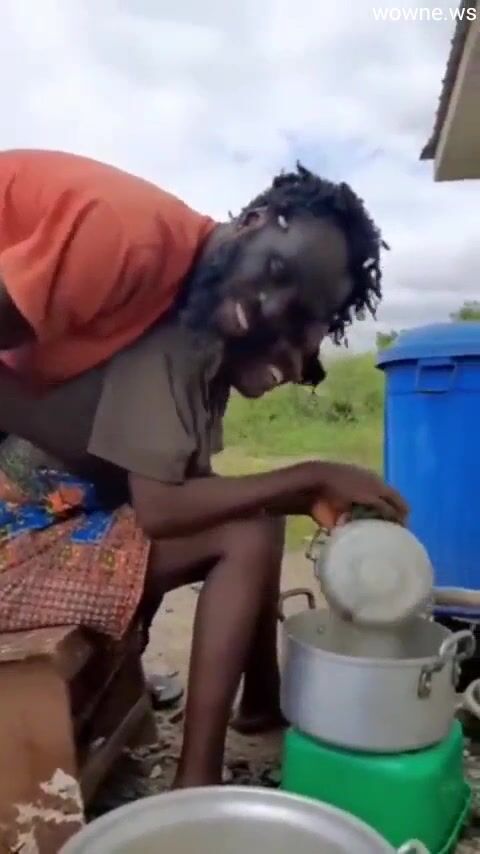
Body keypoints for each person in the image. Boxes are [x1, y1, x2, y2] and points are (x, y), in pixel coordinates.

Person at [0, 300, 407, 788]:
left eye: (309, 355)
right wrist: (312, 474)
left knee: (260, 519)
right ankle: (196, 780)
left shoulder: (209, 378)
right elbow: (162, 509)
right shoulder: (172, 356)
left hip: (67, 523)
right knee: (245, 536)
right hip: (17, 547)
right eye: (294, 343)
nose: (298, 368)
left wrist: (303, 500)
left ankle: (260, 700)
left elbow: (194, 488)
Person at [0, 153, 384, 387]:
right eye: (276, 270)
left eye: (295, 311)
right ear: (252, 221)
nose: (270, 308)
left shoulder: (192, 292)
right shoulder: (128, 243)